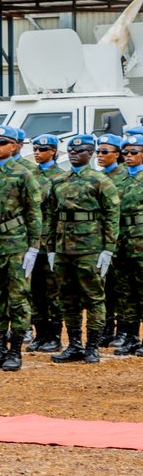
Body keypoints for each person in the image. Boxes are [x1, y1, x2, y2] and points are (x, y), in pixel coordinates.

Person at [0, 125, 42, 372]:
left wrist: (34, 247)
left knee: (17, 299)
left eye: (1, 142)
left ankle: (15, 353)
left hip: (15, 244)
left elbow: (34, 212)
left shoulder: (23, 174)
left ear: (14, 146)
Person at [46, 134, 120, 364]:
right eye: (71, 151)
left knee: (94, 298)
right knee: (67, 299)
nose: (74, 154)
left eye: (80, 151)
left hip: (90, 247)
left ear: (90, 154)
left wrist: (108, 248)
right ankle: (75, 344)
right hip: (63, 248)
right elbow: (50, 215)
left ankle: (92, 346)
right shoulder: (59, 180)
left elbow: (111, 215)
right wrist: (50, 247)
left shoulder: (100, 181)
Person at [26, 134, 64, 353]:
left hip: (51, 242)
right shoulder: (29, 175)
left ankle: (55, 336)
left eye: (43, 149)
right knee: (35, 291)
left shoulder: (61, 176)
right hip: (32, 242)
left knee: (53, 292)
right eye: (36, 149)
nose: (38, 152)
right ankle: (40, 334)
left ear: (54, 152)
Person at [96, 134, 128, 349]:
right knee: (105, 286)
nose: (100, 156)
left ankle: (125, 331)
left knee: (124, 288)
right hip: (102, 239)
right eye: (98, 152)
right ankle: (106, 329)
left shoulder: (127, 176)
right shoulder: (98, 177)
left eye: (105, 152)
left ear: (117, 155)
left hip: (127, 239)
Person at [113, 133, 143, 356]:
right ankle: (131, 336)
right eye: (126, 153)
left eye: (134, 152)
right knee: (126, 292)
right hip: (122, 241)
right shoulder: (118, 178)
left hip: (141, 239)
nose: (129, 156)